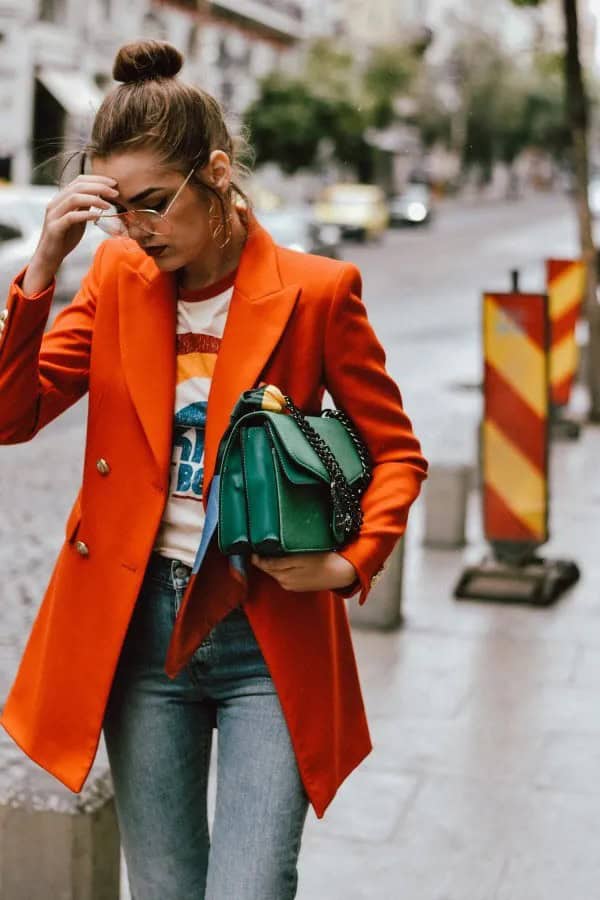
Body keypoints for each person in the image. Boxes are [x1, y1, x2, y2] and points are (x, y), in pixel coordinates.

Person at [0, 39, 428, 900]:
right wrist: (42, 269)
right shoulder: (116, 278)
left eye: (154, 204)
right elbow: (14, 416)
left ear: (217, 173)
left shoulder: (316, 291)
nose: (137, 229)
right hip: (140, 632)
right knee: (163, 887)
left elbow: (395, 452)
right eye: (120, 209)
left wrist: (351, 562)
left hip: (266, 628)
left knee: (254, 883)